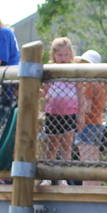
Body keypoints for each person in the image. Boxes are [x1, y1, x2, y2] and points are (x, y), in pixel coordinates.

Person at [41, 37, 79, 179]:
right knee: (51, 146)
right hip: (53, 112)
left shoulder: (74, 70)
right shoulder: (50, 70)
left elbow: (80, 93)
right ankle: (47, 177)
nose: (63, 58)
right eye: (60, 55)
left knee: (66, 146)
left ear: (71, 54)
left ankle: (63, 177)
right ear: (54, 55)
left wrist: (80, 115)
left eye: (66, 55)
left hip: (70, 112)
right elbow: (44, 92)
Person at [74, 49, 107, 180]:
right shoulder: (102, 84)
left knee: (87, 163)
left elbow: (87, 107)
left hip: (87, 124)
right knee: (93, 161)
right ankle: (94, 187)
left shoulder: (90, 83)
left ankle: (87, 191)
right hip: (97, 124)